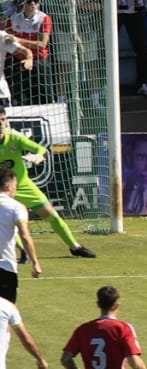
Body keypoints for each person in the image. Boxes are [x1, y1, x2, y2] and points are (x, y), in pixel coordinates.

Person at [0, 108, 96, 258]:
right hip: (2, 189)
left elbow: (40, 148)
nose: (1, 123)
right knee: (6, 222)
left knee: (52, 216)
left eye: (3, 119)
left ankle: (75, 247)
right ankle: (24, 251)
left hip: (23, 185)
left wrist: (38, 155)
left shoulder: (14, 137)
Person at [0, 168, 41, 302]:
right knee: (6, 311)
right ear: (9, 186)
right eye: (15, 186)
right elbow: (24, 235)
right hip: (5, 268)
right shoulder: (16, 207)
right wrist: (35, 262)